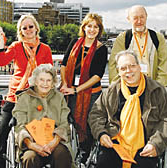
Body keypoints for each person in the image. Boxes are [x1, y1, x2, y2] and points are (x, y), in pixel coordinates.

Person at [88, 50, 167, 168]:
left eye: (132, 66)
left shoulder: (157, 90)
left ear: (139, 67)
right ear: (119, 72)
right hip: (115, 142)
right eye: (123, 68)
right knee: (103, 163)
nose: (128, 71)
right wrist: (101, 134)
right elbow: (96, 115)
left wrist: (156, 143)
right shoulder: (111, 91)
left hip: (146, 144)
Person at [0, 14, 53, 168]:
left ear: (36, 28)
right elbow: (1, 62)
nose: (28, 30)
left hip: (37, 96)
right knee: (3, 130)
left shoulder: (45, 49)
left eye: (30, 26)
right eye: (24, 28)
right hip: (16, 95)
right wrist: (0, 42)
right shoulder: (16, 46)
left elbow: (51, 73)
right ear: (20, 31)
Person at [60, 13, 108, 164]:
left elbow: (96, 76)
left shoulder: (101, 49)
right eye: (89, 26)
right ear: (84, 27)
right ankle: (74, 152)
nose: (92, 30)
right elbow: (64, 64)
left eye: (96, 27)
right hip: (71, 91)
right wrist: (65, 84)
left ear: (99, 30)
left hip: (91, 95)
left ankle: (85, 157)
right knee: (73, 122)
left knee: (88, 125)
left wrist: (76, 89)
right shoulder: (75, 43)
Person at [13, 64, 72, 168]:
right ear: (35, 81)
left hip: (55, 141)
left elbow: (64, 123)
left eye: (49, 80)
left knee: (62, 154)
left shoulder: (59, 98)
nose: (45, 84)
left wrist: (54, 142)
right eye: (41, 80)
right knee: (30, 158)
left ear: (53, 82)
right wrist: (31, 145)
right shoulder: (24, 98)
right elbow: (20, 126)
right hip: (31, 143)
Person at [108, 5, 167, 86]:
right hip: (129, 87)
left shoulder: (157, 38)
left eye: (142, 17)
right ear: (129, 19)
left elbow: (165, 63)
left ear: (146, 17)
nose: (139, 21)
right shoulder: (123, 38)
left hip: (152, 86)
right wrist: (118, 87)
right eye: (135, 18)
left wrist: (158, 86)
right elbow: (113, 64)